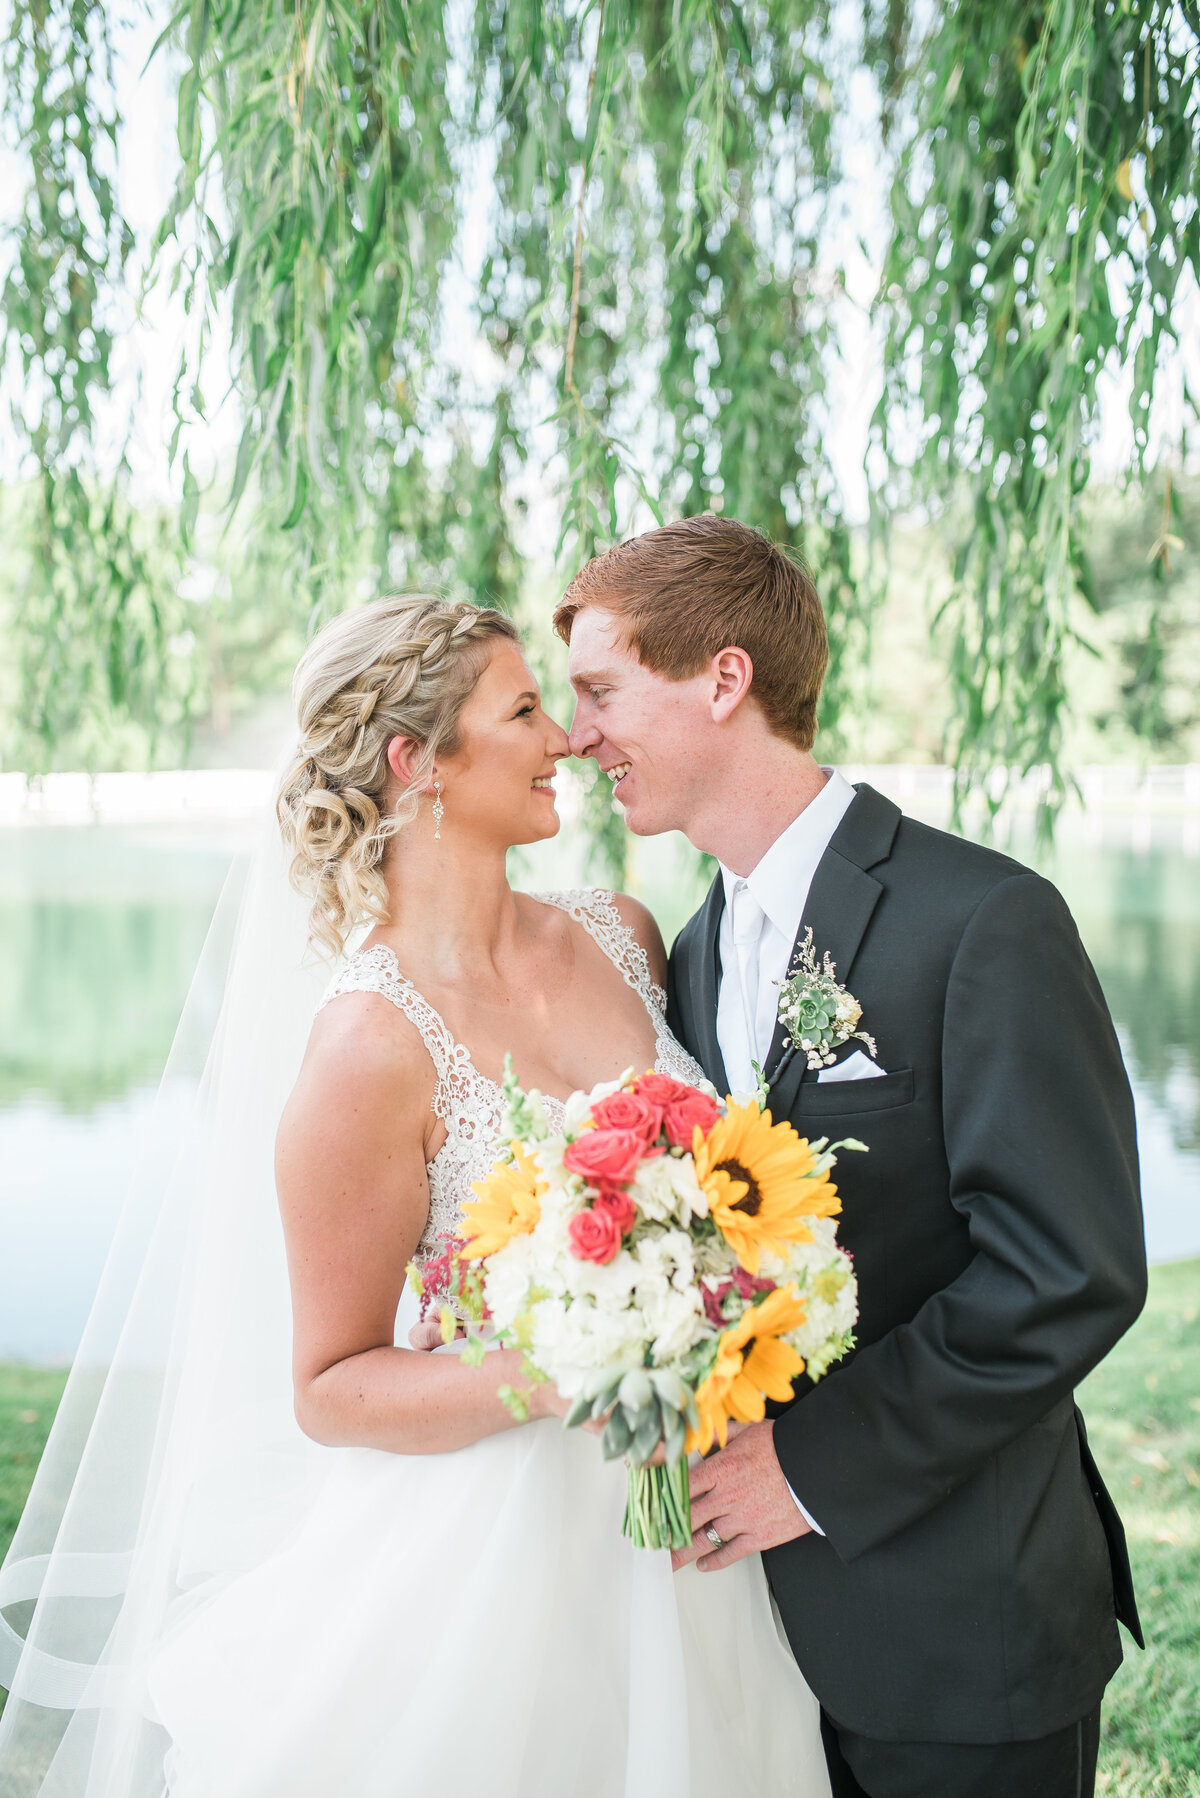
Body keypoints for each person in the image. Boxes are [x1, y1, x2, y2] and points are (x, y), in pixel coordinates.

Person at [0, 593, 833, 1797]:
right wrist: (569, 1359)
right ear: (417, 762)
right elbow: (330, 1386)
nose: (565, 738)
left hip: (695, 1529)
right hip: (496, 1560)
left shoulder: (624, 934)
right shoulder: (366, 1048)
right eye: (525, 709)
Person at [556, 515, 1148, 1798]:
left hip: (960, 1633)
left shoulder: (983, 920)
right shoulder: (694, 955)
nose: (575, 734)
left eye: (602, 691)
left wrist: (809, 1471)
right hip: (753, 1648)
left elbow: (1069, 1270)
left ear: (724, 679)